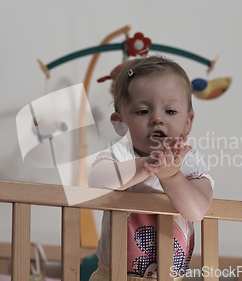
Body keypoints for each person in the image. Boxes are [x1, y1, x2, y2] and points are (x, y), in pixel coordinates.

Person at [88, 56, 214, 281]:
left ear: (188, 121)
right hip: (112, 276)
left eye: (171, 111)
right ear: (119, 123)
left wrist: (172, 176)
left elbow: (196, 211)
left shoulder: (190, 162)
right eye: (143, 111)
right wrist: (146, 166)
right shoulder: (120, 154)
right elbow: (97, 182)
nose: (157, 118)